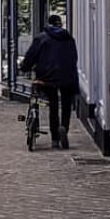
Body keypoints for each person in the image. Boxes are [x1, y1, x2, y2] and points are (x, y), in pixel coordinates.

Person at [20, 14, 79, 149]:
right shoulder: (69, 39)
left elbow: (31, 56)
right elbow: (74, 57)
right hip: (67, 76)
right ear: (60, 25)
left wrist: (24, 68)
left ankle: (55, 139)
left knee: (53, 105)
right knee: (66, 105)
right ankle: (64, 127)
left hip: (47, 77)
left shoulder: (41, 38)